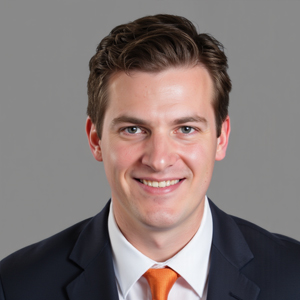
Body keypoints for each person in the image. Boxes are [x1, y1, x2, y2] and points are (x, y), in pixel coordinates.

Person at [0, 14, 299, 300]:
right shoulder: (16, 286)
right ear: (96, 139)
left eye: (185, 128)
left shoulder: (293, 277)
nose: (159, 160)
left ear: (221, 138)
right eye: (133, 129)